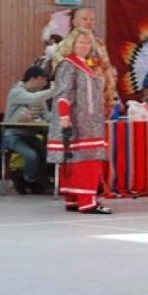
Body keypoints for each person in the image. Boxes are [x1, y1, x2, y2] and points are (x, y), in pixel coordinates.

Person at [47, 28, 110, 213]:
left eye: (88, 43)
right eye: (81, 42)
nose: (85, 46)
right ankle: (87, 201)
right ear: (72, 44)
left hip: (88, 122)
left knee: (78, 161)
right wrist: (65, 118)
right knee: (86, 162)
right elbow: (63, 93)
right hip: (78, 122)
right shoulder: (68, 64)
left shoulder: (85, 65)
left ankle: (74, 199)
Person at [51, 6, 117, 113]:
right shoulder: (65, 46)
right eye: (85, 19)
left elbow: (107, 71)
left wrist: (111, 99)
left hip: (100, 101)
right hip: (77, 104)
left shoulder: (99, 44)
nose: (89, 22)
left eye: (92, 19)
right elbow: (62, 79)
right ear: (74, 22)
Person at [3, 64, 51, 194]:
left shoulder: (38, 97)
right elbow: (33, 99)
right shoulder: (16, 92)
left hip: (30, 135)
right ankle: (27, 180)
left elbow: (47, 116)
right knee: (31, 156)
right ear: (34, 79)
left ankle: (38, 180)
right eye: (43, 80)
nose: (45, 83)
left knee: (47, 154)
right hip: (13, 135)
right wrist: (54, 91)